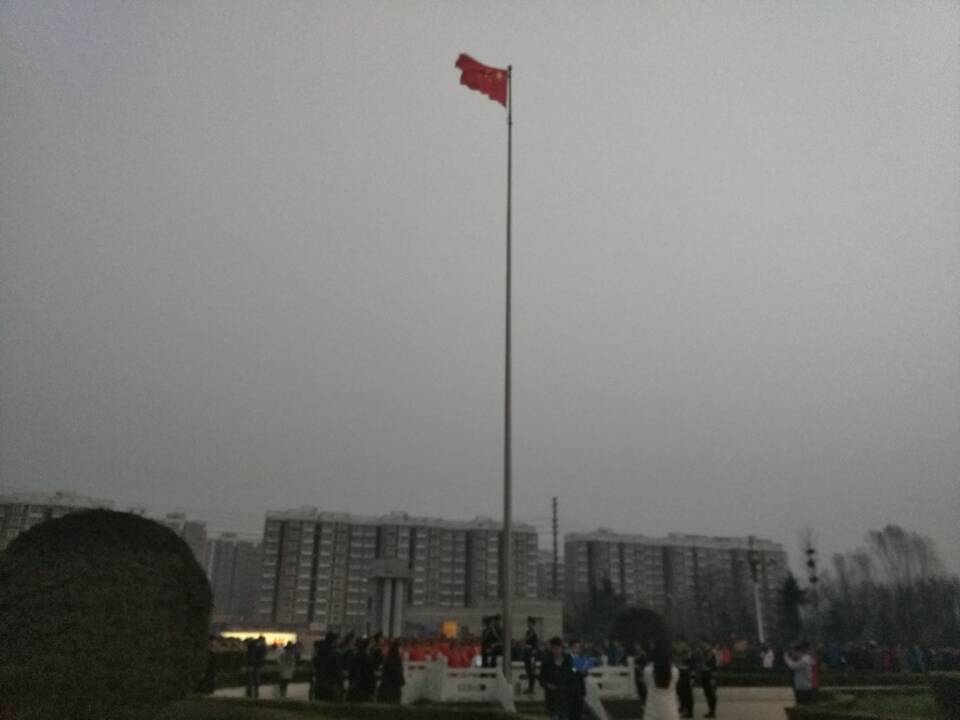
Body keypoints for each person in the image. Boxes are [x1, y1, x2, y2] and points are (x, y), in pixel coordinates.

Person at [539, 637, 578, 720]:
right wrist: (548, 685)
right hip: (552, 698)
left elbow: (574, 678)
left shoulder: (568, 661)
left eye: (558, 648)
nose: (556, 651)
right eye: (554, 648)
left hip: (566, 697)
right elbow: (541, 679)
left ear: (561, 648)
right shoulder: (547, 663)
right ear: (551, 649)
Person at [643, 642, 680, 720]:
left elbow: (647, 685)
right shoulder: (675, 671)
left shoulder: (648, 670)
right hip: (671, 712)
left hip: (652, 713)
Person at [313, 632, 343, 702]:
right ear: (333, 642)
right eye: (337, 641)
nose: (338, 643)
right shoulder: (335, 655)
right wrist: (340, 686)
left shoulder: (319, 653)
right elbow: (338, 672)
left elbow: (315, 665)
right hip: (331, 685)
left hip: (319, 683)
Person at [347, 637, 376, 702]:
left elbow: (351, 673)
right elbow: (371, 676)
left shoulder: (354, 657)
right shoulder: (368, 659)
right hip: (365, 688)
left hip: (355, 687)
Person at [699, 639, 718, 719]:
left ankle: (712, 711)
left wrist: (713, 677)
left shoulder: (711, 652)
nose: (701, 645)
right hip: (705, 673)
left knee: (711, 694)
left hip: (710, 673)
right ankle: (710, 710)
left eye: (702, 643)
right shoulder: (704, 651)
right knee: (707, 693)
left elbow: (712, 663)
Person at [675, 640, 694, 718]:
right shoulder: (683, 657)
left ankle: (689, 712)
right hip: (682, 677)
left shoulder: (689, 658)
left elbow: (691, 668)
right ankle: (684, 708)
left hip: (686, 677)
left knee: (687, 695)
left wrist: (692, 678)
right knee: (682, 694)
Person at [523, 617, 540, 694]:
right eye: (527, 622)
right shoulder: (527, 632)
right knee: (528, 671)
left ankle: (531, 688)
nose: (527, 624)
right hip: (527, 653)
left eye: (529, 623)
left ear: (532, 624)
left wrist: (533, 652)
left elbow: (535, 646)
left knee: (531, 671)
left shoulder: (534, 634)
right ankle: (530, 687)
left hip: (531, 654)